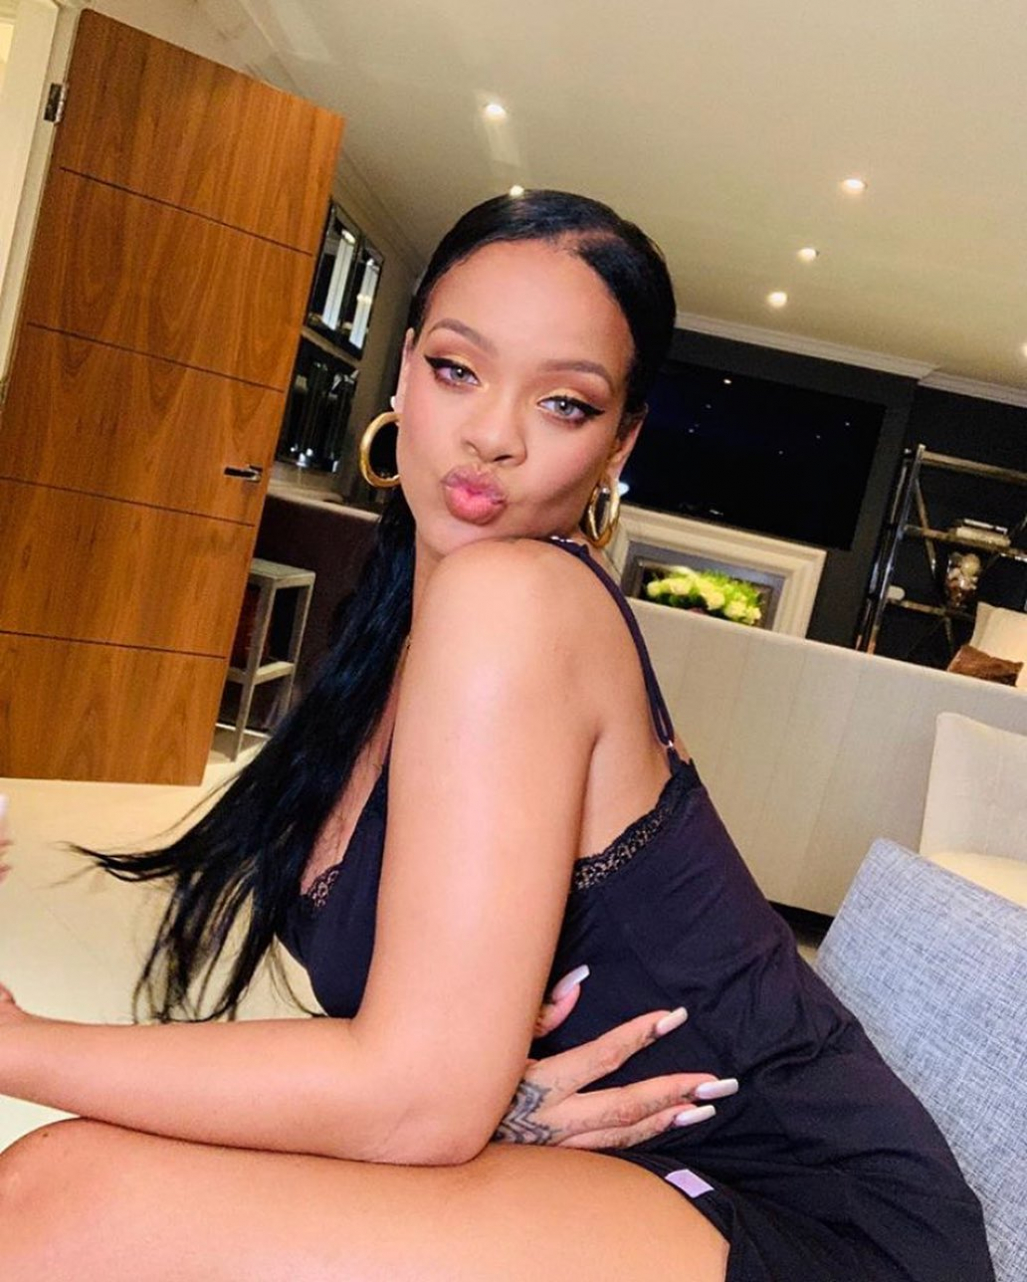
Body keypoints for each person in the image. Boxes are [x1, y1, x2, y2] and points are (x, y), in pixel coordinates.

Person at [0, 190, 993, 1282]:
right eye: (457, 369)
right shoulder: (394, 637)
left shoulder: (516, 603)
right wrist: (490, 1103)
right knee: (67, 1192)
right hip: (608, 1179)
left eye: (564, 403)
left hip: (818, 1224)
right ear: (403, 371)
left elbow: (413, 1099)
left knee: (60, 1200)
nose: (491, 435)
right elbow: (424, 1089)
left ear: (620, 442)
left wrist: (21, 1045)